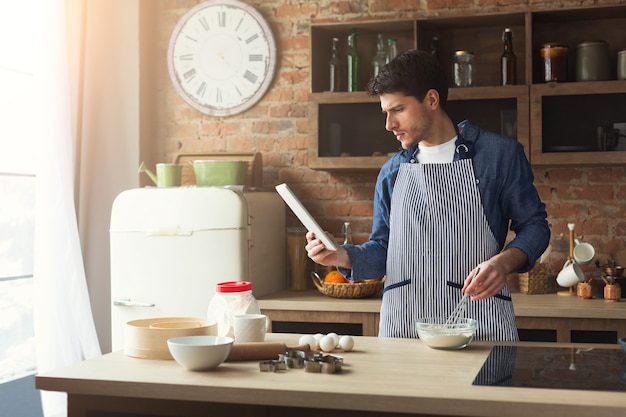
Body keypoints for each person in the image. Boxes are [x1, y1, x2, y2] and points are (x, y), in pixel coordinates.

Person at [305, 49, 550, 341]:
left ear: (431, 100)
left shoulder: (499, 155)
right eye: (385, 113)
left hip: (479, 325)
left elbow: (535, 226)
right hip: (404, 328)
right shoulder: (392, 172)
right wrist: (342, 256)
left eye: (397, 110)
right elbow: (384, 249)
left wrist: (503, 263)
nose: (389, 125)